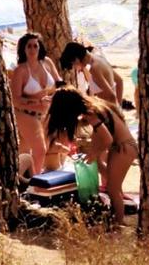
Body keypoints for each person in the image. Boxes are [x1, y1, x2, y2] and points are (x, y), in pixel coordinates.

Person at [47, 88, 138, 229]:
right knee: (112, 184)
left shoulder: (92, 114)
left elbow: (107, 139)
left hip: (124, 148)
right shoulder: (92, 108)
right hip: (120, 147)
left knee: (113, 189)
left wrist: (94, 153)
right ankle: (115, 219)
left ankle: (118, 224)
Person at [10, 32, 60, 175]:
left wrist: (55, 96)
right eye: (29, 46)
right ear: (23, 50)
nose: (32, 49)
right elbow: (15, 100)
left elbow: (59, 83)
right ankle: (36, 183)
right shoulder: (21, 71)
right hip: (26, 114)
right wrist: (36, 101)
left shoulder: (47, 63)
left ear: (40, 48)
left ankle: (21, 179)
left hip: (45, 113)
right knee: (40, 150)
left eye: (35, 46)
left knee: (24, 151)